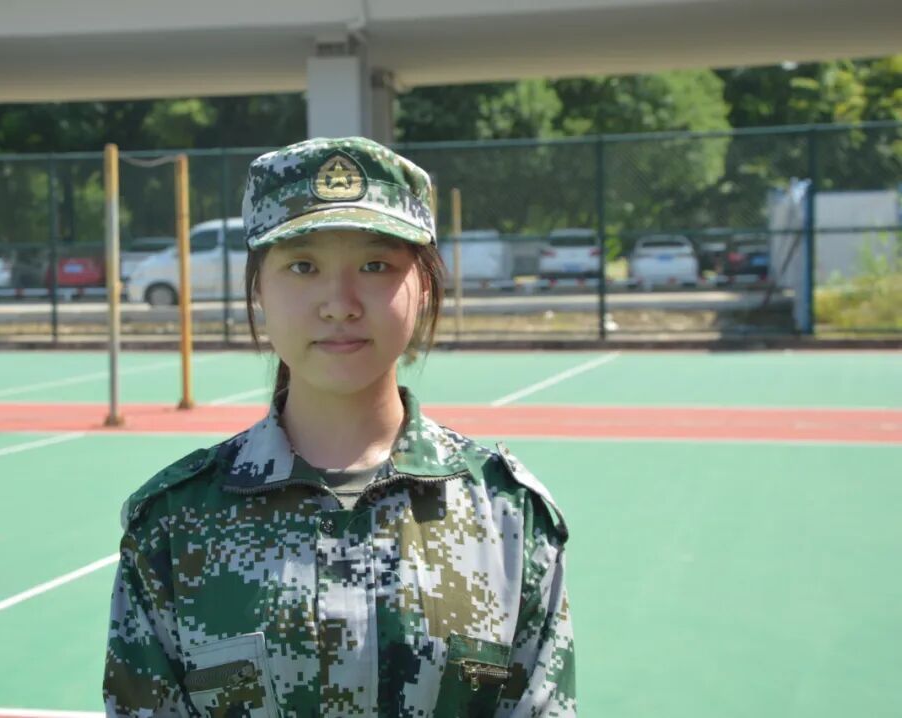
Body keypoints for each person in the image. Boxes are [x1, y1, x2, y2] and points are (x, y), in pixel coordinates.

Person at [103, 136, 575, 717]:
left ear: (424, 287)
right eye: (303, 266)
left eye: (376, 266)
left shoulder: (508, 517)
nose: (340, 303)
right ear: (258, 289)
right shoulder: (172, 525)